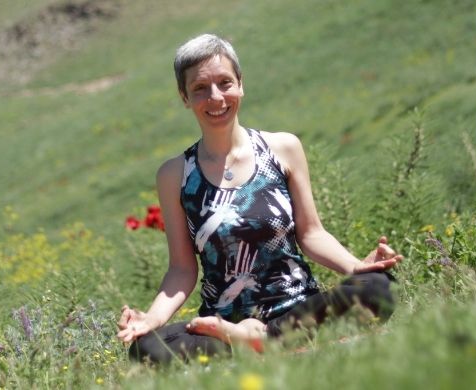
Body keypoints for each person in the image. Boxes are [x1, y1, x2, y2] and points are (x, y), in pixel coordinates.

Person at [116, 33, 403, 364]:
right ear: (184, 97)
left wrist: (357, 266)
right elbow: (182, 269)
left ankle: (262, 341)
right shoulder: (174, 175)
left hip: (298, 308)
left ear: (241, 84)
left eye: (225, 83)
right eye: (200, 89)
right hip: (221, 326)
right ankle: (281, 345)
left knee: (378, 287)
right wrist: (150, 320)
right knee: (147, 349)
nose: (216, 97)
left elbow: (311, 234)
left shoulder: (283, 149)